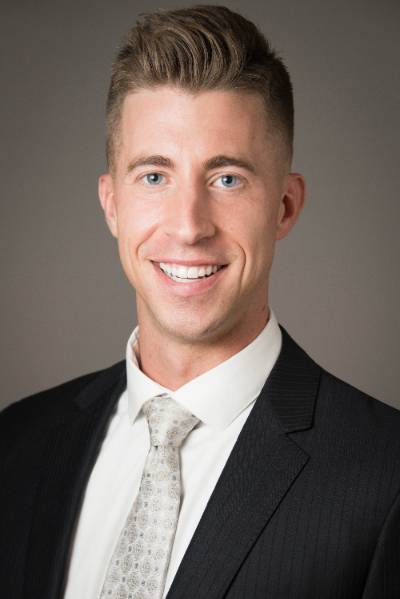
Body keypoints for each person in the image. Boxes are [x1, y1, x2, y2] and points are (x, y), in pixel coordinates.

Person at [1, 5, 400, 599]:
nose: (189, 227)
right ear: (111, 204)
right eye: (154, 177)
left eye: (227, 179)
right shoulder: (16, 443)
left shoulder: (386, 477)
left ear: (285, 206)